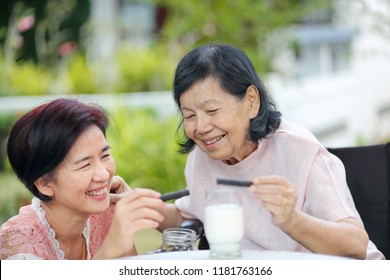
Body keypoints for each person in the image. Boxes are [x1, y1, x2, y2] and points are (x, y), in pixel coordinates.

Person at [158, 43, 385, 260]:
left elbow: (356, 245)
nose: (201, 127)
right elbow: (189, 217)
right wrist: (137, 206)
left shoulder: (300, 151)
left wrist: (292, 220)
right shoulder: (202, 156)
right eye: (189, 115)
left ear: (251, 101)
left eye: (212, 110)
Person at [0, 98, 165, 260]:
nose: (104, 175)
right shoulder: (19, 245)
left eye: (105, 155)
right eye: (85, 165)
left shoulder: (106, 212)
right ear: (44, 183)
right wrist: (109, 250)